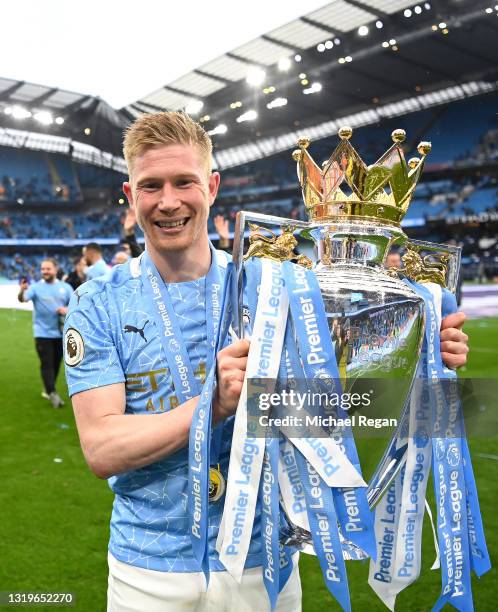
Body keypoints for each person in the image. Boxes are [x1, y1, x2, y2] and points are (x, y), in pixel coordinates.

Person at [63, 112, 469, 612]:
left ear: (212, 186)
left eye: (184, 181)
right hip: (149, 571)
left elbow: (338, 403)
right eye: (151, 186)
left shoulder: (278, 287)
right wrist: (211, 405)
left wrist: (422, 352)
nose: (168, 201)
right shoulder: (98, 301)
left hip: (265, 566)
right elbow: (102, 448)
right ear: (131, 195)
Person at [19, 258, 73, 408]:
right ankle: (52, 393)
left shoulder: (66, 287)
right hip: (42, 333)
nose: (45, 271)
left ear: (55, 269)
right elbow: (22, 299)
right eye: (43, 269)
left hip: (61, 333)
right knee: (47, 363)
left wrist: (66, 310)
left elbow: (76, 305)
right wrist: (22, 290)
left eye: (48, 269)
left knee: (56, 363)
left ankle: (48, 389)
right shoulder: (35, 287)